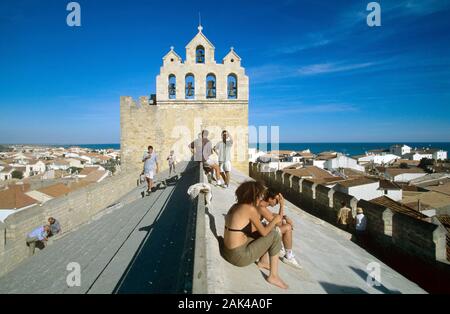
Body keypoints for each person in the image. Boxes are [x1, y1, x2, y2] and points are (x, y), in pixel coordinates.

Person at [223, 181, 288, 289]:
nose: (261, 197)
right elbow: (265, 232)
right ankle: (273, 276)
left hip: (227, 251)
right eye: (259, 195)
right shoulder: (250, 209)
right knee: (275, 235)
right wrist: (275, 220)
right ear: (254, 196)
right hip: (238, 257)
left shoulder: (235, 206)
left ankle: (263, 261)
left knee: (259, 234)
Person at [257, 189, 301, 269]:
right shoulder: (261, 207)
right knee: (287, 227)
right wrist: (281, 205)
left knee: (284, 222)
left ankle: (281, 248)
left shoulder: (261, 204)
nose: (278, 202)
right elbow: (278, 222)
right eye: (277, 200)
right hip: (256, 235)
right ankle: (288, 256)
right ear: (270, 199)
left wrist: (285, 218)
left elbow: (274, 217)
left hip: (257, 231)